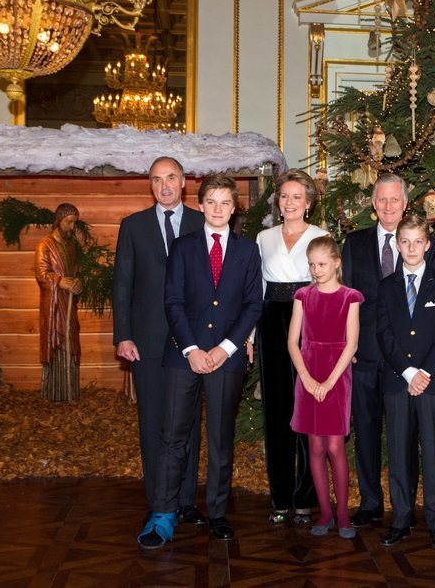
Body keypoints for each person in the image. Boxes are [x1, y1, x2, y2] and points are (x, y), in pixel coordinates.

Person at [137, 174, 263, 549]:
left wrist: (226, 348)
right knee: (173, 436)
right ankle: (163, 513)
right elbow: (172, 301)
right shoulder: (183, 247)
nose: (219, 209)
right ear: (201, 204)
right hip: (184, 356)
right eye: (212, 202)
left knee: (221, 439)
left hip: (227, 357)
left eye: (226, 203)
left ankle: (218, 513)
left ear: (235, 208)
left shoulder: (247, 251)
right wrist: (192, 350)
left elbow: (252, 304)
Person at [341, 173, 435, 527]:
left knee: (405, 435)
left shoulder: (425, 244)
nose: (387, 206)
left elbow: (433, 305)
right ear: (373, 203)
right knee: (366, 431)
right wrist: (346, 346)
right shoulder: (354, 244)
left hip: (408, 361)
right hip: (365, 354)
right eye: (381, 200)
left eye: (394, 200)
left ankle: (406, 505)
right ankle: (370, 501)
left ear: (405, 203)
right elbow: (346, 300)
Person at [113, 156, 206, 527]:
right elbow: (122, 284)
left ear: (183, 182)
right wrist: (123, 335)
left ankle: (185, 499)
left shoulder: (203, 222)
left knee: (188, 422)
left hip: (193, 341)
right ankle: (158, 499)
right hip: (147, 340)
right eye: (156, 180)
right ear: (149, 185)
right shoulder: (133, 226)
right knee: (152, 419)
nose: (164, 186)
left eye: (170, 178)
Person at [376, 214, 435, 551]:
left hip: (433, 382)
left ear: (427, 244)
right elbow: (383, 332)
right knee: (399, 451)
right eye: (404, 241)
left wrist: (425, 372)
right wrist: (408, 372)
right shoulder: (386, 286)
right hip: (397, 381)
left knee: (434, 451)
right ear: (397, 245)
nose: (411, 248)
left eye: (417, 242)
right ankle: (402, 518)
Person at [256, 169, 327, 526]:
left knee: (307, 411)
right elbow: (257, 291)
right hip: (270, 325)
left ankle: (305, 497)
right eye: (284, 196)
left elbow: (330, 287)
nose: (290, 202)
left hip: (309, 322)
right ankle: (280, 497)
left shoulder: (321, 236)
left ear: (309, 203)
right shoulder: (263, 237)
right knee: (277, 411)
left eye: (297, 196)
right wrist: (250, 338)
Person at [287, 236, 363, 539]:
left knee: (334, 446)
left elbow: (352, 344)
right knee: (315, 447)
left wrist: (329, 382)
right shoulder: (302, 296)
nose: (316, 270)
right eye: (311, 265)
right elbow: (292, 342)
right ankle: (325, 513)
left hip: (337, 375)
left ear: (336, 263)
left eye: (322, 264)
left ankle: (343, 514)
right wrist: (306, 379)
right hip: (307, 374)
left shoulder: (350, 297)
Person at [35, 203, 83, 402]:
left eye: (75, 223)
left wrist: (78, 283)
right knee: (57, 338)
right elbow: (41, 274)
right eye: (69, 222)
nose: (72, 227)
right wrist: (59, 281)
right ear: (59, 220)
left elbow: (76, 272)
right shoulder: (44, 245)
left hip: (69, 304)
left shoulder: (71, 246)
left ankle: (70, 390)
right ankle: (55, 391)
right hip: (54, 306)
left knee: (70, 339)